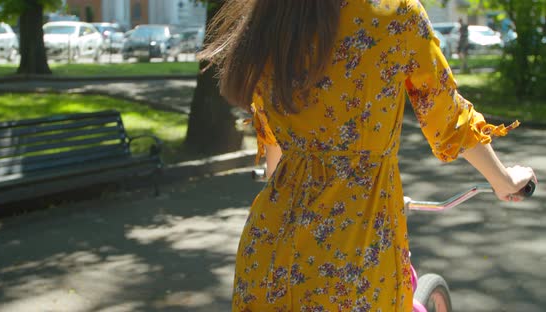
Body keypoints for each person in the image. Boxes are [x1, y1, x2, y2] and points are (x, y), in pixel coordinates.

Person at [199, 0, 537, 310]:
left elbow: (273, 137)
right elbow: (448, 119)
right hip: (354, 252)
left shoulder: (276, 14)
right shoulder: (395, 13)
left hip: (270, 249)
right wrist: (504, 179)